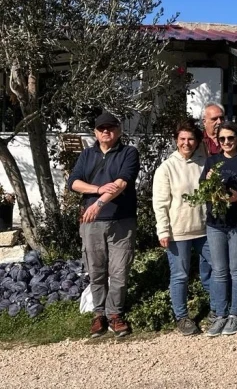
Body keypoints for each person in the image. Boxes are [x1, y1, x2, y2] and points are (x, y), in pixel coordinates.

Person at [68, 111, 140, 338]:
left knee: (119, 271)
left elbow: (120, 184)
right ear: (95, 132)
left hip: (121, 222)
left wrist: (97, 204)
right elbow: (74, 183)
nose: (106, 131)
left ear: (118, 130)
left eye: (110, 127)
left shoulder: (129, 153)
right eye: (101, 128)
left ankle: (115, 314)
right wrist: (98, 189)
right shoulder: (87, 155)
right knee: (96, 271)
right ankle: (99, 314)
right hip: (92, 224)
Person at [152, 120, 211, 335]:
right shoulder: (166, 168)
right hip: (179, 232)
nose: (186, 143)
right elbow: (160, 203)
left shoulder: (204, 163)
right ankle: (182, 317)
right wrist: (163, 230)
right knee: (180, 276)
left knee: (212, 270)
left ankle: (217, 309)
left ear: (197, 142)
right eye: (182, 139)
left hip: (205, 229)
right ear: (176, 141)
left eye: (191, 139)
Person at [202, 122, 237, 337]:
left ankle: (236, 314)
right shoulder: (212, 161)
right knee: (219, 270)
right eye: (222, 139)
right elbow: (202, 190)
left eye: (230, 138)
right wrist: (207, 182)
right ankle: (221, 313)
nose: (226, 143)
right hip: (216, 223)